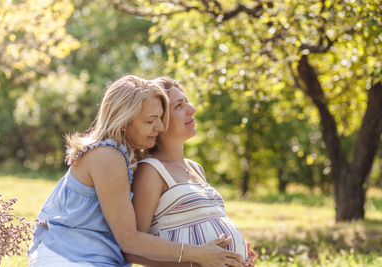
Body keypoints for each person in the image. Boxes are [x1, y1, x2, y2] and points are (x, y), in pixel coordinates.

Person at [28, 75, 245, 267]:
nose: (160, 128)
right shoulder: (107, 157)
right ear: (124, 121)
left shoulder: (124, 159)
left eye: (161, 118)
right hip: (70, 256)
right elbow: (129, 240)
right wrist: (199, 256)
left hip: (98, 258)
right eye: (151, 121)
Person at [125, 77, 257, 267]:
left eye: (187, 101)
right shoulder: (151, 171)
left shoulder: (196, 168)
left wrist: (239, 254)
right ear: (158, 120)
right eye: (179, 106)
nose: (192, 109)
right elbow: (133, 250)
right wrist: (197, 262)